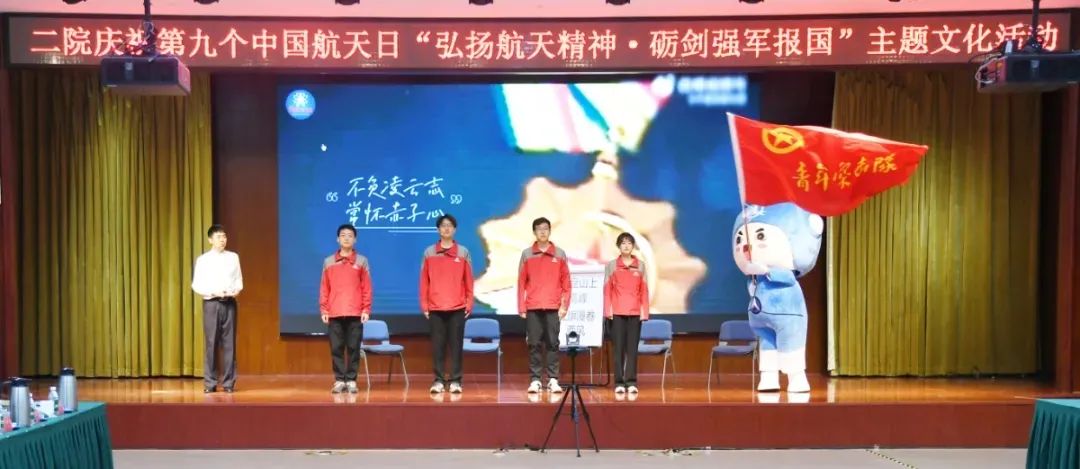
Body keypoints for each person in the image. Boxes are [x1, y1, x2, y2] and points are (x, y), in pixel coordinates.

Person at [419, 214, 474, 394]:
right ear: (438, 229)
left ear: (455, 229)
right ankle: (439, 380)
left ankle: (456, 380)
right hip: (435, 308)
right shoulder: (429, 252)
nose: (446, 228)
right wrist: (425, 305)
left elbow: (468, 280)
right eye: (443, 225)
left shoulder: (463, 252)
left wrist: (469, 303)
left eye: (450, 225)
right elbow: (424, 281)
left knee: (456, 346)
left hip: (457, 307)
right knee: (438, 347)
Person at [518, 217, 571, 394]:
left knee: (553, 343)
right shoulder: (527, 254)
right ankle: (535, 380)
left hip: (553, 307)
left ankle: (553, 379)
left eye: (545, 228)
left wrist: (564, 306)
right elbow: (521, 283)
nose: (542, 231)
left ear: (549, 231)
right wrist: (521, 307)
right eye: (539, 229)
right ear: (534, 232)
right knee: (533, 343)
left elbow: (566, 283)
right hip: (533, 306)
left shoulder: (559, 254)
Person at [319, 224, 372, 394]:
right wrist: (324, 309)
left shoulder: (362, 261)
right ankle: (339, 380)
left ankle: (351, 380)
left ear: (355, 239)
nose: (346, 238)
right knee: (336, 348)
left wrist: (366, 309)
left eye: (350, 235)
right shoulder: (328, 261)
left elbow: (366, 287)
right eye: (343, 235)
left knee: (353, 348)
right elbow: (324, 287)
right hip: (334, 312)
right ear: (338, 239)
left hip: (355, 312)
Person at [191, 224, 244, 394]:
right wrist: (212, 291)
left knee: (229, 344)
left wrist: (236, 290)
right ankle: (210, 382)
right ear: (210, 240)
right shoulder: (203, 260)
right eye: (219, 237)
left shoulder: (233, 257)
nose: (223, 240)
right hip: (211, 303)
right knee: (211, 343)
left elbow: (238, 280)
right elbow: (196, 284)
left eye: (224, 236)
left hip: (229, 302)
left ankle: (229, 383)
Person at [603, 232, 650, 394]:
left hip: (635, 313)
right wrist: (608, 310)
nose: (626, 246)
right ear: (619, 246)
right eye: (623, 243)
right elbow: (607, 290)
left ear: (633, 246)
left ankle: (631, 382)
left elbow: (644, 291)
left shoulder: (640, 266)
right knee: (618, 349)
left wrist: (644, 312)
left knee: (632, 349)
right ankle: (618, 382)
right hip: (616, 313)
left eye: (629, 243)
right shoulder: (611, 265)